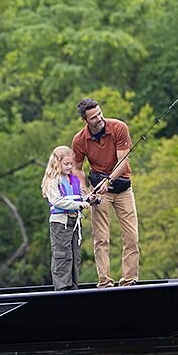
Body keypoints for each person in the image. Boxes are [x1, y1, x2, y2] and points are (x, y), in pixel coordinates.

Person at [72, 98, 139, 287]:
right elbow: (77, 168)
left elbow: (123, 160)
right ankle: (105, 281)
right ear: (85, 120)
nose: (99, 119)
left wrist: (108, 180)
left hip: (122, 188)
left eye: (100, 113)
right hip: (99, 192)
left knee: (131, 236)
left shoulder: (118, 127)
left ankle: (129, 280)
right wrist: (86, 191)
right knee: (101, 238)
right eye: (93, 117)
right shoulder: (79, 140)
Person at [41, 145, 92, 291]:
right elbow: (57, 201)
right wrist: (79, 204)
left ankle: (74, 286)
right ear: (57, 164)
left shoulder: (74, 179)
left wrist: (89, 199)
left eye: (71, 164)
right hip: (60, 223)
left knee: (75, 255)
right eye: (66, 164)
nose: (70, 167)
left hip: (74, 222)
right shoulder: (53, 181)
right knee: (62, 255)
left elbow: (82, 196)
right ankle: (62, 288)